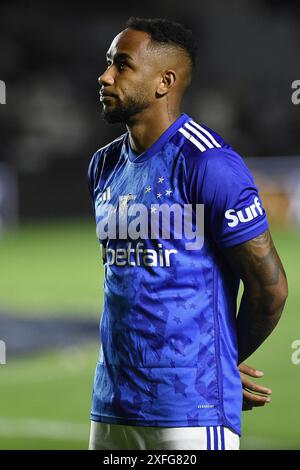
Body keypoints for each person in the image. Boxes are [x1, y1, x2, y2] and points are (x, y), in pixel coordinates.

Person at [87, 17, 288, 450]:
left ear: (165, 81)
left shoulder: (208, 165)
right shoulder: (103, 167)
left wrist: (222, 362)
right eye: (108, 63)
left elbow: (270, 290)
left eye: (121, 65)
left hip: (189, 416)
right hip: (110, 409)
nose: (104, 76)